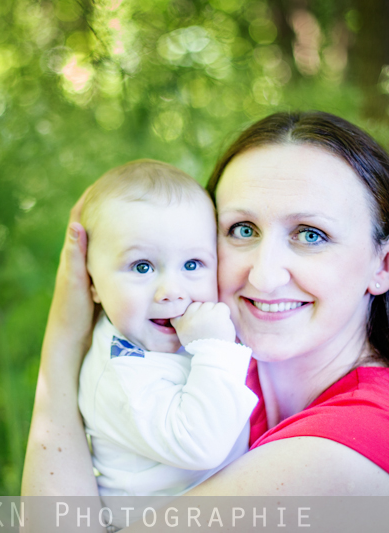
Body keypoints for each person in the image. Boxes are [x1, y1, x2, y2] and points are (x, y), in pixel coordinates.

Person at [22, 111, 389, 532]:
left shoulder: (354, 446)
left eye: (311, 235)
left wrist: (64, 335)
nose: (264, 274)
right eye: (242, 230)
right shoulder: (221, 369)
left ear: (384, 263)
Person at [76, 160, 257, 522]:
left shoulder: (142, 332)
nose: (172, 291)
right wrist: (216, 349)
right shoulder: (121, 375)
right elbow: (202, 445)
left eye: (192, 265)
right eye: (142, 267)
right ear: (93, 283)